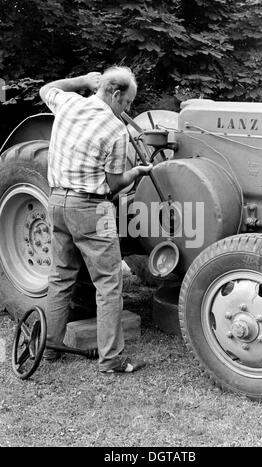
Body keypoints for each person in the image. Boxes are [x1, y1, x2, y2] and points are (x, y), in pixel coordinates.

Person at [39, 66, 153, 373]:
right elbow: (115, 184)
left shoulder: (69, 102)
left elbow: (46, 88)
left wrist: (82, 81)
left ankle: (48, 349)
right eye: (127, 103)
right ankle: (111, 359)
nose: (127, 109)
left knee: (61, 277)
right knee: (108, 283)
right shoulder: (117, 131)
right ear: (115, 95)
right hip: (92, 208)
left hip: (57, 202)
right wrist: (137, 172)